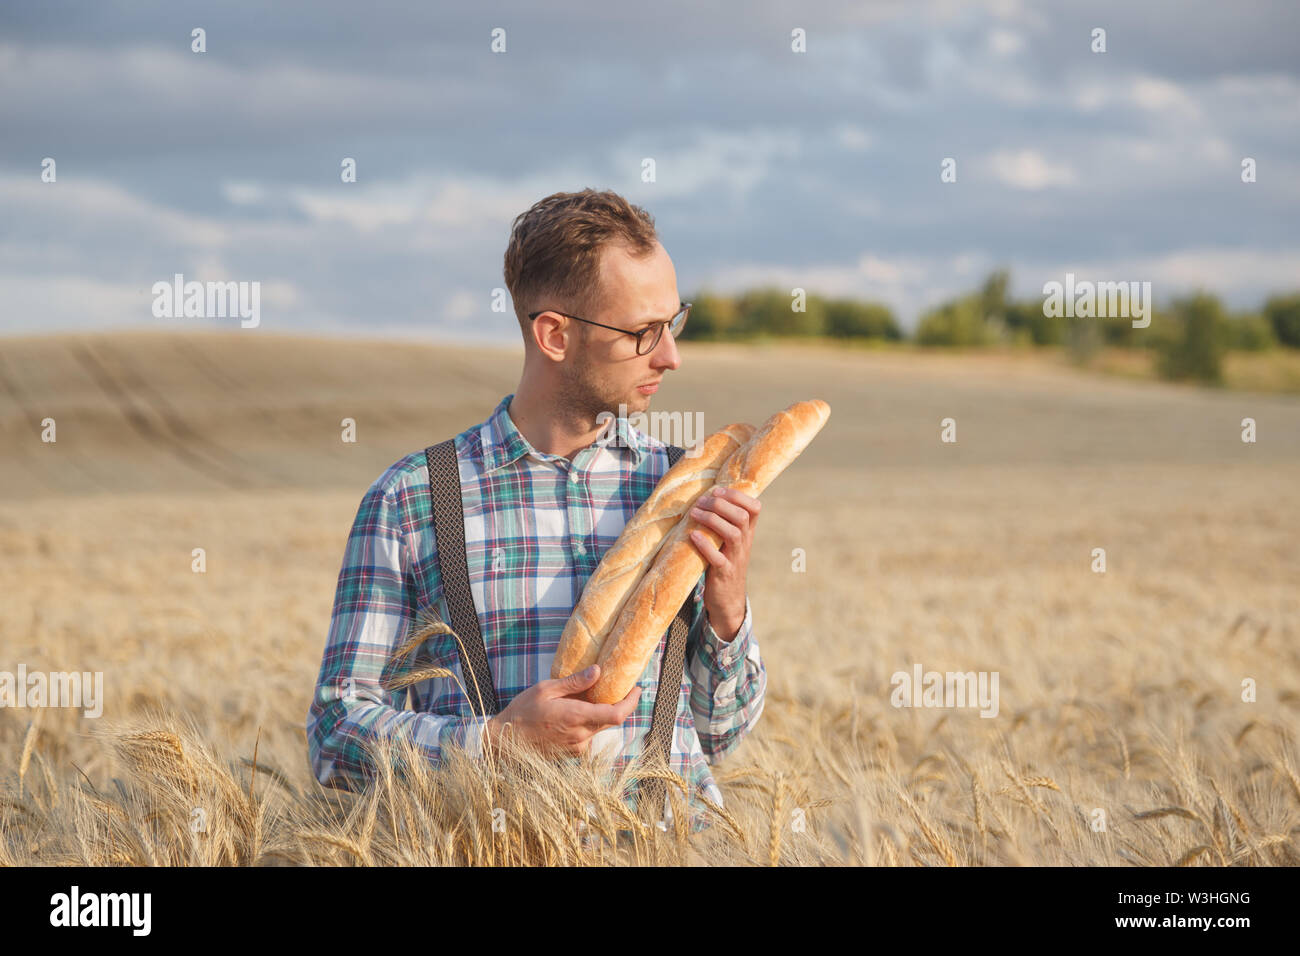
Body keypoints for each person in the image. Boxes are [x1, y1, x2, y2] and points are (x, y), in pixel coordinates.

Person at [306, 188, 766, 832]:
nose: (671, 355)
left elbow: (720, 737)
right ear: (554, 334)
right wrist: (493, 743)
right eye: (643, 332)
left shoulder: (684, 489)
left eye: (674, 322)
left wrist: (727, 610)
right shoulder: (412, 500)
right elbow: (335, 735)